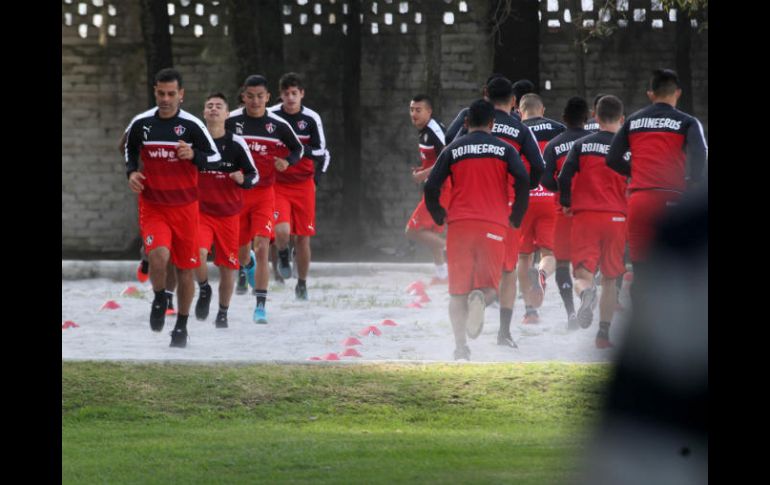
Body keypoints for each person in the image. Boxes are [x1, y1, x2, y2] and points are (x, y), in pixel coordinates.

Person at [424, 99, 530, 361]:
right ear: (493, 124)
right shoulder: (505, 149)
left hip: (459, 225)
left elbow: (431, 185)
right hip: (494, 224)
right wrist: (516, 213)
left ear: (466, 123)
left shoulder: (453, 148)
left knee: (456, 291)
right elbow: (523, 178)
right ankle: (480, 297)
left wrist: (439, 214)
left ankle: (461, 347)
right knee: (492, 287)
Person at [123, 68, 222, 347]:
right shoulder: (142, 123)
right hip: (154, 205)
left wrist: (194, 155)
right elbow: (130, 149)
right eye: (160, 93)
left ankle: (181, 326)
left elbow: (215, 158)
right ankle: (159, 297)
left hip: (186, 209)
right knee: (158, 256)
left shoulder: (191, 125)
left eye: (171, 94)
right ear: (155, 91)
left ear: (181, 95)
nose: (165, 99)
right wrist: (131, 173)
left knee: (184, 269)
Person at [606, 69, 707, 270]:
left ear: (650, 94)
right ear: (678, 92)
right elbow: (701, 152)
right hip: (673, 198)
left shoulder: (633, 121)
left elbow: (612, 158)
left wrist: (633, 172)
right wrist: (692, 181)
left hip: (640, 200)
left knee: (641, 266)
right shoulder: (687, 122)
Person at [226, 75, 304, 323]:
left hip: (264, 195)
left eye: (260, 96)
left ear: (268, 98)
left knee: (261, 248)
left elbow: (298, 148)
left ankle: (260, 305)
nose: (256, 101)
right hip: (237, 195)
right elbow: (215, 144)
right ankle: (246, 267)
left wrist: (287, 162)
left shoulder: (278, 125)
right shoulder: (232, 122)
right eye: (250, 96)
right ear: (243, 97)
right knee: (241, 254)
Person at [558, 95, 628, 348]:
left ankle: (586, 292)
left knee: (581, 274)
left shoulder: (581, 144)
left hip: (586, 216)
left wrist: (566, 201)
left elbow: (564, 177)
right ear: (621, 119)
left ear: (595, 118)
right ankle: (603, 335)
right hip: (617, 217)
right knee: (610, 278)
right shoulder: (629, 149)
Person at [193, 93, 259, 327]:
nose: (213, 109)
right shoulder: (195, 142)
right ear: (203, 113)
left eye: (218, 106)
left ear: (227, 114)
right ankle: (203, 289)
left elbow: (254, 174)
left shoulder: (236, 143)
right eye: (209, 105)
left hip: (230, 215)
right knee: (197, 256)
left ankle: (223, 312)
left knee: (228, 267)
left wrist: (243, 179)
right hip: (201, 213)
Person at [267, 72, 330, 299]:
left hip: (303, 183)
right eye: (286, 94)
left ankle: (301, 283)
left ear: (302, 94)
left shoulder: (312, 118)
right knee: (281, 230)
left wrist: (297, 151)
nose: (291, 98)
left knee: (303, 236)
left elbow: (321, 149)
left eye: (295, 93)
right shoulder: (271, 116)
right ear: (280, 96)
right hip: (277, 183)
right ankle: (283, 254)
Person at [540, 96, 592, 329]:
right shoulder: (594, 142)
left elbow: (545, 180)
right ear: (587, 117)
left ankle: (571, 313)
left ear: (563, 118)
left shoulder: (554, 145)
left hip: (563, 212)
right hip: (591, 212)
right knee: (584, 268)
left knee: (561, 264)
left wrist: (562, 189)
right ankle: (586, 295)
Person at [518, 93, 567, 321]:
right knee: (550, 253)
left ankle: (530, 312)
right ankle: (542, 273)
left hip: (524, 198)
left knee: (523, 256)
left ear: (520, 111)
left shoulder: (515, 130)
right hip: (549, 197)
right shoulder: (559, 129)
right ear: (543, 110)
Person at [404, 94, 449, 284]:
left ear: (429, 112)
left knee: (412, 231)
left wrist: (423, 175)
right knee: (433, 234)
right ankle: (442, 275)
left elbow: (447, 157)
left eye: (418, 110)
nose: (414, 114)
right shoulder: (424, 131)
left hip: (441, 189)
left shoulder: (433, 130)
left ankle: (452, 251)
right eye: (412, 109)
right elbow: (434, 159)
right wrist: (423, 170)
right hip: (435, 187)